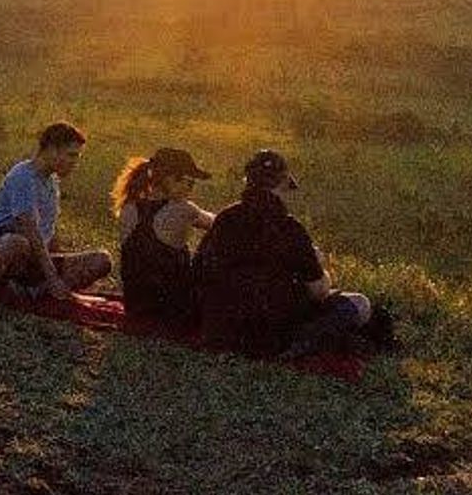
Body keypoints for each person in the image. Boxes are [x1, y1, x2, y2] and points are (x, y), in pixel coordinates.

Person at [195, 149, 372, 359]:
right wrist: (319, 265)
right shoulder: (289, 228)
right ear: (283, 183)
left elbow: (201, 268)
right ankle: (295, 347)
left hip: (222, 328)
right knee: (359, 304)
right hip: (271, 330)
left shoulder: (224, 218)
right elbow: (318, 291)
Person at [0, 122, 113, 320]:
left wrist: (58, 268)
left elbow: (46, 232)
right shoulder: (23, 176)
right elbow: (29, 229)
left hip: (33, 262)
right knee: (17, 242)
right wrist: (52, 277)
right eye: (71, 155)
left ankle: (20, 291)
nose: (75, 162)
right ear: (51, 149)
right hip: (5, 253)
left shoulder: (51, 181)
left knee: (101, 259)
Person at [112, 147, 214, 325]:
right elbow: (221, 223)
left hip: (135, 305)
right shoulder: (184, 209)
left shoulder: (128, 207)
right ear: (169, 179)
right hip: (173, 311)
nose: (190, 190)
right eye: (189, 183)